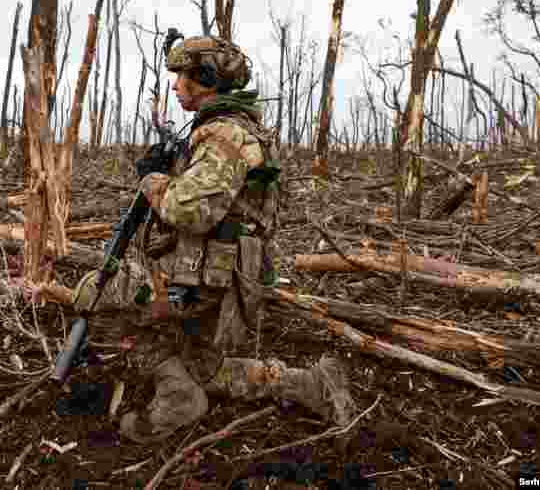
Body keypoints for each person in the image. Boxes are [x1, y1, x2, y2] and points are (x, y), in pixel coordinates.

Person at [73, 33, 355, 444]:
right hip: (222, 279)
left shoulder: (224, 135)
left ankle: (176, 396)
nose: (174, 85)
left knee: (95, 291)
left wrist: (151, 178)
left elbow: (190, 210)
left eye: (181, 76)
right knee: (205, 369)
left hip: (204, 283)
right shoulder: (235, 129)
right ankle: (310, 386)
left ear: (204, 78)